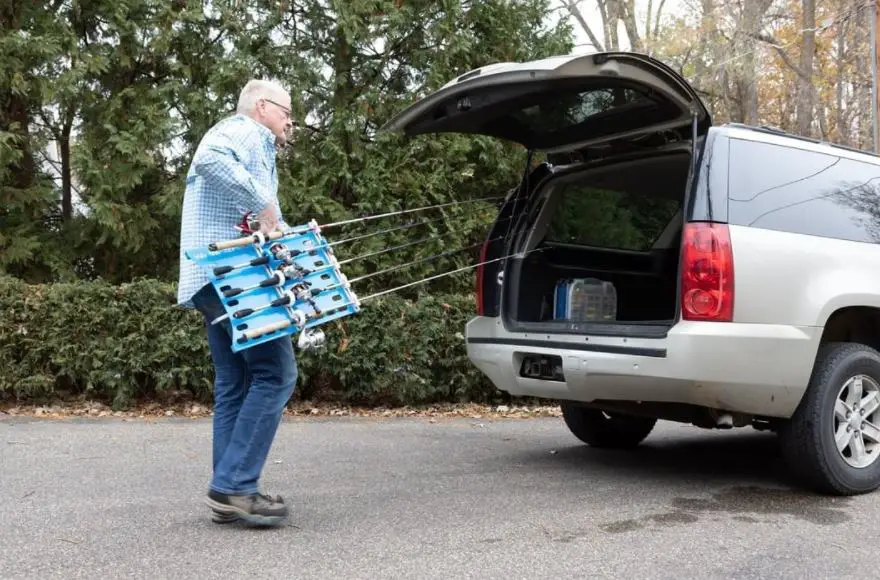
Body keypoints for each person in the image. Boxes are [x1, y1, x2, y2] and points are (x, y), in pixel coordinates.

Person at [177, 79, 296, 527]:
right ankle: (236, 486)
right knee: (276, 374)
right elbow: (208, 161)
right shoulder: (248, 131)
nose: (289, 122)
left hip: (211, 276)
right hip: (233, 278)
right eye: (287, 112)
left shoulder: (244, 135)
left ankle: (227, 488)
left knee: (236, 382)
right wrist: (266, 208)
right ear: (262, 107)